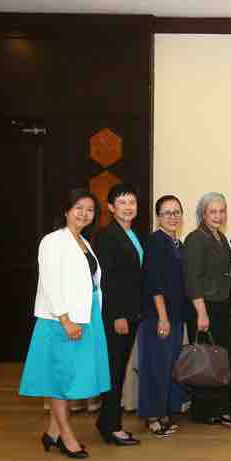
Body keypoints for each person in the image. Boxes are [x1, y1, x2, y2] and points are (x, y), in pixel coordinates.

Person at [19, 189, 110, 459]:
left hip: (86, 316)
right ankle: (67, 436)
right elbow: (50, 284)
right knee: (61, 379)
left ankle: (52, 432)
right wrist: (65, 320)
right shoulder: (53, 241)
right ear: (66, 210)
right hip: (62, 320)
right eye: (78, 207)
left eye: (90, 210)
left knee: (70, 375)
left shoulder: (83, 241)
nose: (84, 213)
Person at [92, 183, 143, 447]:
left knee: (119, 369)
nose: (128, 207)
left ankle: (106, 421)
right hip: (118, 315)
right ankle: (111, 426)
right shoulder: (106, 236)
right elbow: (107, 279)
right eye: (122, 203)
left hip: (133, 312)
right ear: (111, 208)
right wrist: (118, 315)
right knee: (114, 370)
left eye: (132, 202)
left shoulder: (133, 234)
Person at [136, 195, 191, 437]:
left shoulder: (177, 243)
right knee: (154, 367)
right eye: (167, 213)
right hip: (158, 317)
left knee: (168, 367)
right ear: (158, 217)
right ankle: (152, 417)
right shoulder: (155, 242)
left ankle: (164, 412)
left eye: (176, 212)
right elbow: (154, 282)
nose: (173, 217)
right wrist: (163, 317)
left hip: (175, 316)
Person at [183, 192, 231, 427]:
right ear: (203, 214)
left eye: (222, 211)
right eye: (212, 211)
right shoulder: (195, 238)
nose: (218, 216)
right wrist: (201, 312)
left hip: (222, 305)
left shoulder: (221, 237)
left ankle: (223, 408)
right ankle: (205, 411)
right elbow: (192, 278)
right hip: (204, 307)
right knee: (205, 360)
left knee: (223, 359)